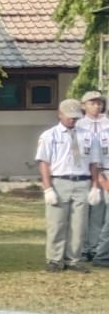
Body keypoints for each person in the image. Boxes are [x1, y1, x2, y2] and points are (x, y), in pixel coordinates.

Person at [36, 99, 96, 272]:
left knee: (79, 225)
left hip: (82, 181)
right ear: (60, 114)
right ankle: (54, 259)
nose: (72, 120)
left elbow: (93, 162)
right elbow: (44, 163)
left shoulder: (87, 135)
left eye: (75, 117)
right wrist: (47, 188)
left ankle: (74, 260)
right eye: (69, 116)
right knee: (57, 223)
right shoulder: (50, 135)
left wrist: (94, 186)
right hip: (59, 181)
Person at [80, 89, 108, 267]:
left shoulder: (107, 124)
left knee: (102, 213)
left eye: (99, 103)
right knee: (86, 213)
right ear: (84, 105)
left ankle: (97, 248)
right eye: (92, 103)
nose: (97, 106)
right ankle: (85, 248)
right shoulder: (79, 124)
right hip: (85, 172)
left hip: (105, 170)